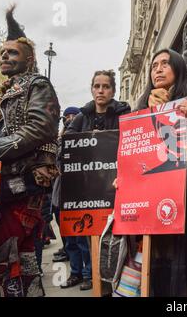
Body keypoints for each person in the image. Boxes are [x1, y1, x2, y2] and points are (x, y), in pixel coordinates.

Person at [0, 6, 60, 297]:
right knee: (20, 257)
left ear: (29, 60)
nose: (5, 56)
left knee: (4, 254)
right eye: (3, 52)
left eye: (12, 53)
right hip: (3, 185)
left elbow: (39, 128)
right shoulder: (7, 91)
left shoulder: (38, 84)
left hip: (23, 186)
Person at [136, 49, 187, 297]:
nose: (157, 68)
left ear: (178, 69)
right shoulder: (140, 110)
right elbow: (135, 154)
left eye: (165, 64)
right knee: (159, 269)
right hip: (153, 205)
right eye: (154, 64)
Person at [61, 70, 130, 291]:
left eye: (106, 86)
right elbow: (66, 146)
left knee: (113, 237)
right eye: (97, 86)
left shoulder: (122, 113)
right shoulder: (82, 117)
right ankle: (92, 277)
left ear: (113, 90)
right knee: (85, 238)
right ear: (92, 89)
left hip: (114, 187)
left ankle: (113, 281)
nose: (101, 90)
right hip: (88, 189)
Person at [52, 106, 81, 264]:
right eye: (67, 117)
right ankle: (75, 267)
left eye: (73, 116)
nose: (70, 119)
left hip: (77, 194)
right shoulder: (59, 141)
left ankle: (86, 271)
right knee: (68, 235)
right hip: (60, 192)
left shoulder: (83, 136)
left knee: (79, 239)